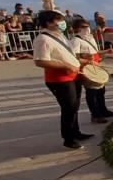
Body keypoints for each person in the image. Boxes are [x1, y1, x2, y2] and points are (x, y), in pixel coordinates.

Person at [32, 10, 94, 149]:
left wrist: (82, 61)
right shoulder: (43, 39)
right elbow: (40, 61)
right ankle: (68, 139)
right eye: (59, 20)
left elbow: (66, 55)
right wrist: (65, 65)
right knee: (68, 108)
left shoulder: (60, 36)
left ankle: (76, 132)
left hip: (73, 75)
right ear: (48, 22)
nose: (63, 23)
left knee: (74, 107)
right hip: (60, 80)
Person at [70, 19, 113, 123]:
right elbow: (74, 57)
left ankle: (103, 110)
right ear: (78, 28)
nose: (88, 29)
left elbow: (94, 53)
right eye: (84, 27)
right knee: (92, 93)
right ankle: (95, 115)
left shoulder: (88, 38)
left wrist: (106, 51)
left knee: (101, 91)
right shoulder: (75, 41)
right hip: (88, 69)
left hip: (96, 67)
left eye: (88, 26)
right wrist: (87, 61)